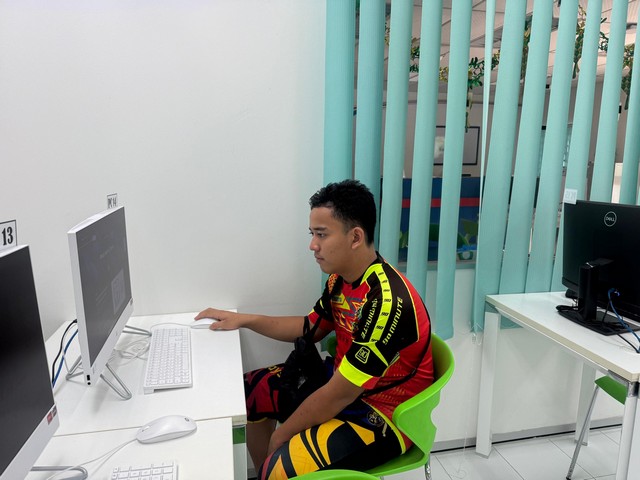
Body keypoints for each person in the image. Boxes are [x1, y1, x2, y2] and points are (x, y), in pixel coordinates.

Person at [196, 179, 433, 479]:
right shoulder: (340, 279)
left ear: (355, 237)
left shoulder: (386, 302)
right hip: (341, 386)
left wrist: (281, 436)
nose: (312, 245)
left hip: (381, 415)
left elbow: (339, 395)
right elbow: (309, 327)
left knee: (278, 467)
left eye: (321, 234)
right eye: (312, 234)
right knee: (249, 393)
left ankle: (271, 472)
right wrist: (245, 320)